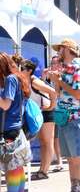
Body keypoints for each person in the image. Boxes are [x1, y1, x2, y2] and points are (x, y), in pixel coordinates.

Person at [49, 39, 80, 192]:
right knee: (71, 159)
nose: (58, 52)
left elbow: (78, 94)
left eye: (59, 49)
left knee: (78, 159)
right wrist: (56, 81)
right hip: (64, 118)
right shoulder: (67, 69)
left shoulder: (78, 69)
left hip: (75, 118)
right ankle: (75, 188)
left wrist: (59, 81)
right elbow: (61, 94)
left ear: (66, 49)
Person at [21, 60, 57, 180]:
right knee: (43, 142)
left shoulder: (34, 81)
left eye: (22, 69)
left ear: (29, 71)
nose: (19, 71)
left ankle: (44, 171)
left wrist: (51, 106)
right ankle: (42, 169)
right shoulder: (26, 80)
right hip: (39, 112)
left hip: (46, 112)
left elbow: (52, 92)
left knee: (47, 142)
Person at [0, 53, 32, 192]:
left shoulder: (11, 79)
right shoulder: (17, 78)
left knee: (12, 169)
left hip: (9, 129)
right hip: (15, 128)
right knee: (17, 168)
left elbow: (6, 105)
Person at [42, 55, 64, 173]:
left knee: (58, 136)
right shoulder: (50, 77)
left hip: (60, 109)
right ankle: (58, 161)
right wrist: (44, 77)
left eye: (56, 63)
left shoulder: (61, 77)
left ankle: (62, 161)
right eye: (52, 63)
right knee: (55, 137)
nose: (53, 65)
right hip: (52, 109)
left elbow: (58, 93)